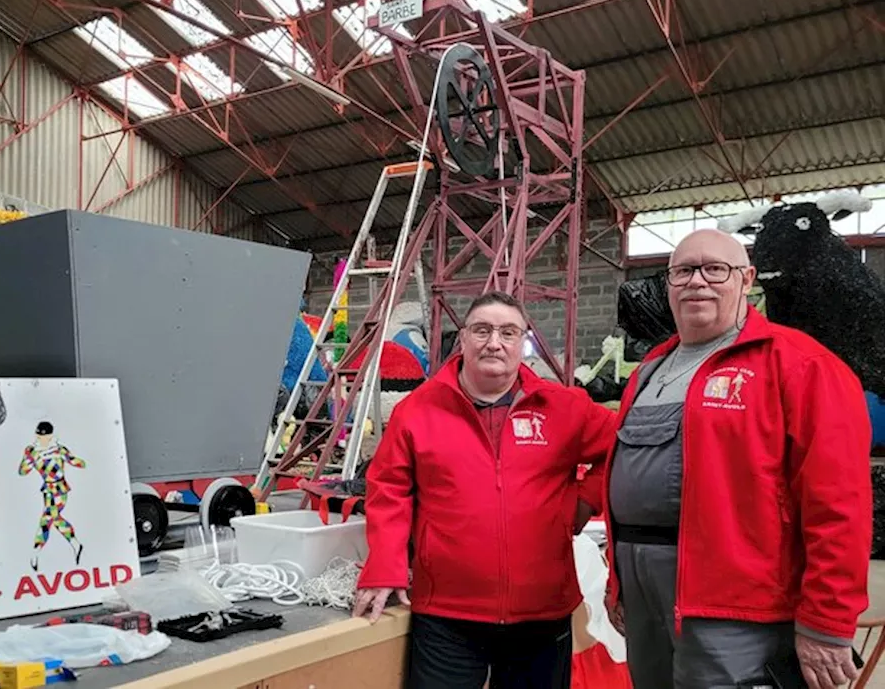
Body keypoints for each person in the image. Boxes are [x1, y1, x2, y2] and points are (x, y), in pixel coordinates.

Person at [602, 229, 871, 689]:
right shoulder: (650, 370)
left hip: (739, 606)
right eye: (683, 271)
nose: (697, 282)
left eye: (715, 269)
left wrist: (827, 621)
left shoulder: (801, 364)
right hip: (645, 596)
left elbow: (839, 502)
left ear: (747, 280)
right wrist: (619, 586)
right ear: (668, 284)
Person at [354, 291, 618, 688]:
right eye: (482, 330)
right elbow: (388, 489)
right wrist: (385, 567)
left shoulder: (564, 407)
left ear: (523, 342)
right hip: (447, 616)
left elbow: (622, 447)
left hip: (541, 616)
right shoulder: (418, 411)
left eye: (508, 332)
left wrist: (582, 502)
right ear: (462, 340)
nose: (494, 342)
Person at [18, 421, 87, 571]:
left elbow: (78, 462)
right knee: (54, 519)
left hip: (60, 489)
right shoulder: (32, 451)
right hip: (48, 491)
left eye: (45, 435)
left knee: (47, 519)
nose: (42, 438)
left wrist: (70, 457)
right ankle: (75, 544)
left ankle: (36, 551)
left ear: (51, 435)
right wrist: (30, 460)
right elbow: (23, 471)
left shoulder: (59, 449)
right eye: (39, 435)